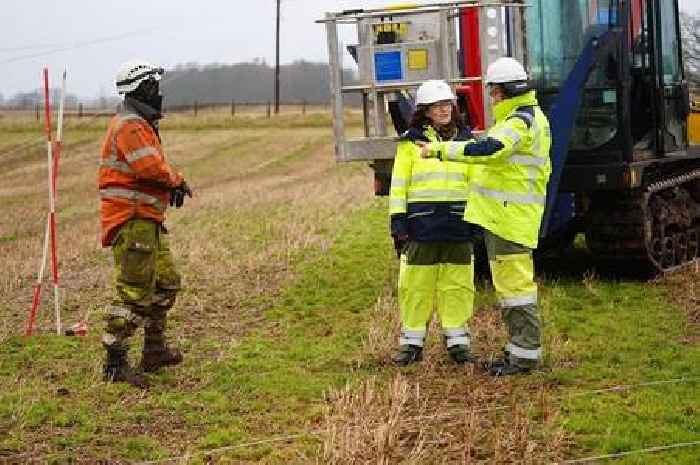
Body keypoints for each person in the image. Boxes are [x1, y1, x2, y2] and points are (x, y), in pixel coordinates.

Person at [418, 57, 552, 376]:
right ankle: (520, 350)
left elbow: (490, 150)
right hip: (507, 217)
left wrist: (440, 150)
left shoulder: (520, 121)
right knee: (511, 289)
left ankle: (524, 357)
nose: (491, 98)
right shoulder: (523, 118)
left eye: (493, 92)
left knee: (516, 291)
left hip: (510, 219)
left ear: (504, 92)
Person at [98, 60, 192, 387]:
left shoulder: (139, 122)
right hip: (132, 219)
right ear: (142, 89)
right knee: (134, 292)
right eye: (153, 86)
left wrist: (172, 186)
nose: (159, 92)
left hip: (147, 220)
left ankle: (154, 350)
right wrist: (176, 181)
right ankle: (115, 361)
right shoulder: (130, 125)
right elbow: (149, 167)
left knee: (166, 282)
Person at [389, 79, 476, 366]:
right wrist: (398, 223)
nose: (443, 110)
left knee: (458, 284)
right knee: (415, 285)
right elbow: (399, 186)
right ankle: (412, 343)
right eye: (436, 106)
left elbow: (476, 184)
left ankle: (458, 342)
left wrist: (478, 219)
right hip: (421, 227)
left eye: (447, 104)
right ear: (425, 111)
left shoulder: (467, 142)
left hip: (458, 224)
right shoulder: (410, 143)